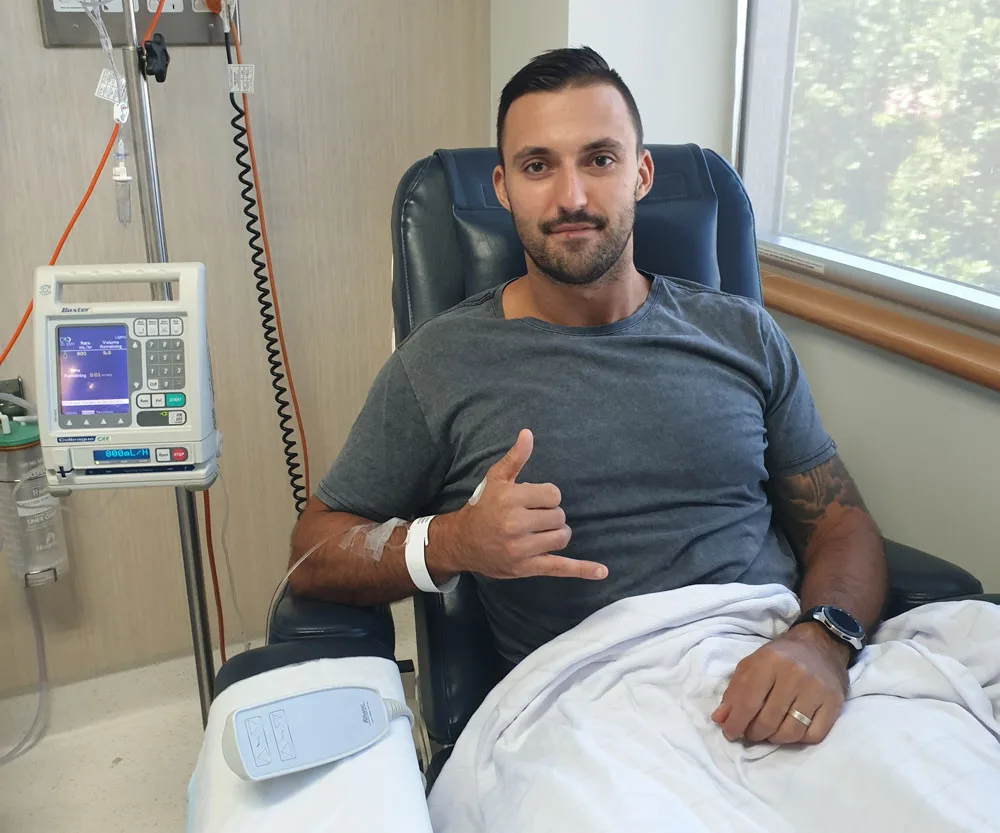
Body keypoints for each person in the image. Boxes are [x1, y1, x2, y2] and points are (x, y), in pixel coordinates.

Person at [289, 46, 887, 747]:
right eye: (538, 165)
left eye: (599, 159)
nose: (571, 196)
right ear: (503, 187)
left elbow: (840, 525)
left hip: (782, 662)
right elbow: (313, 551)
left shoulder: (742, 332)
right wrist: (451, 541)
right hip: (592, 717)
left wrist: (823, 639)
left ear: (641, 174)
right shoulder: (439, 364)